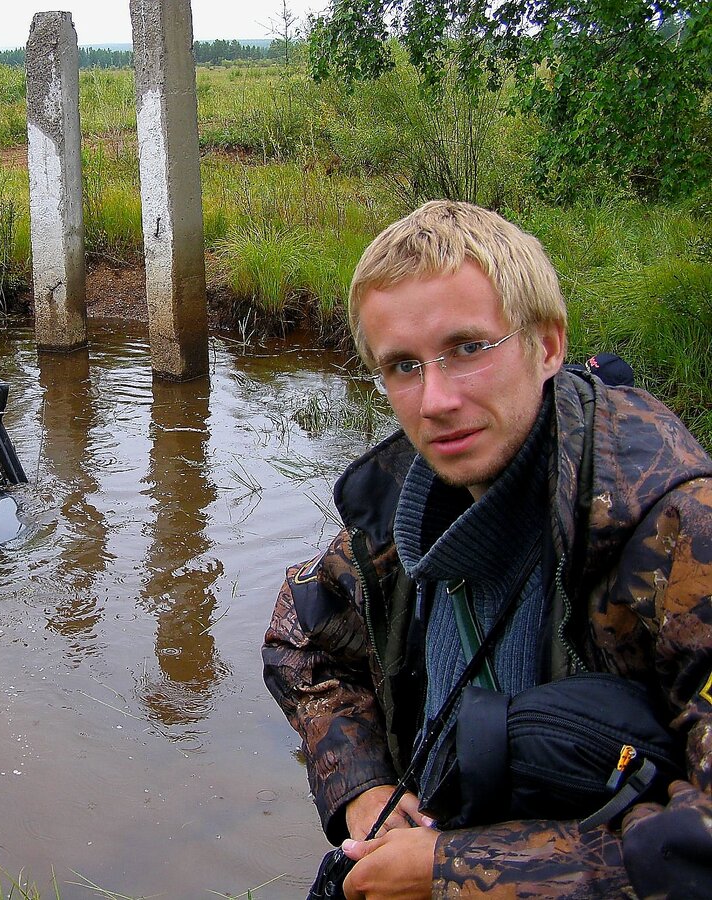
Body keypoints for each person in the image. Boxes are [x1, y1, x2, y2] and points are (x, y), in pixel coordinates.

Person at [262, 200, 712, 898]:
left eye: (468, 349)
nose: (435, 400)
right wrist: (363, 786)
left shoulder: (677, 534)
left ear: (549, 346)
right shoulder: (398, 527)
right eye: (403, 367)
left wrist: (453, 873)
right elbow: (302, 638)